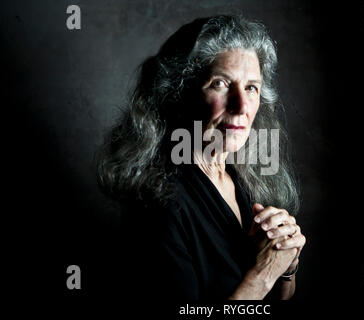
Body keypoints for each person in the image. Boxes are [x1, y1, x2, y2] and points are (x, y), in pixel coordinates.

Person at [97, 15, 306, 300]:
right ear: (179, 95)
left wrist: (286, 266)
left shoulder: (241, 177)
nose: (241, 106)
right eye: (220, 83)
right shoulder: (159, 205)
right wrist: (265, 272)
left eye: (251, 87)